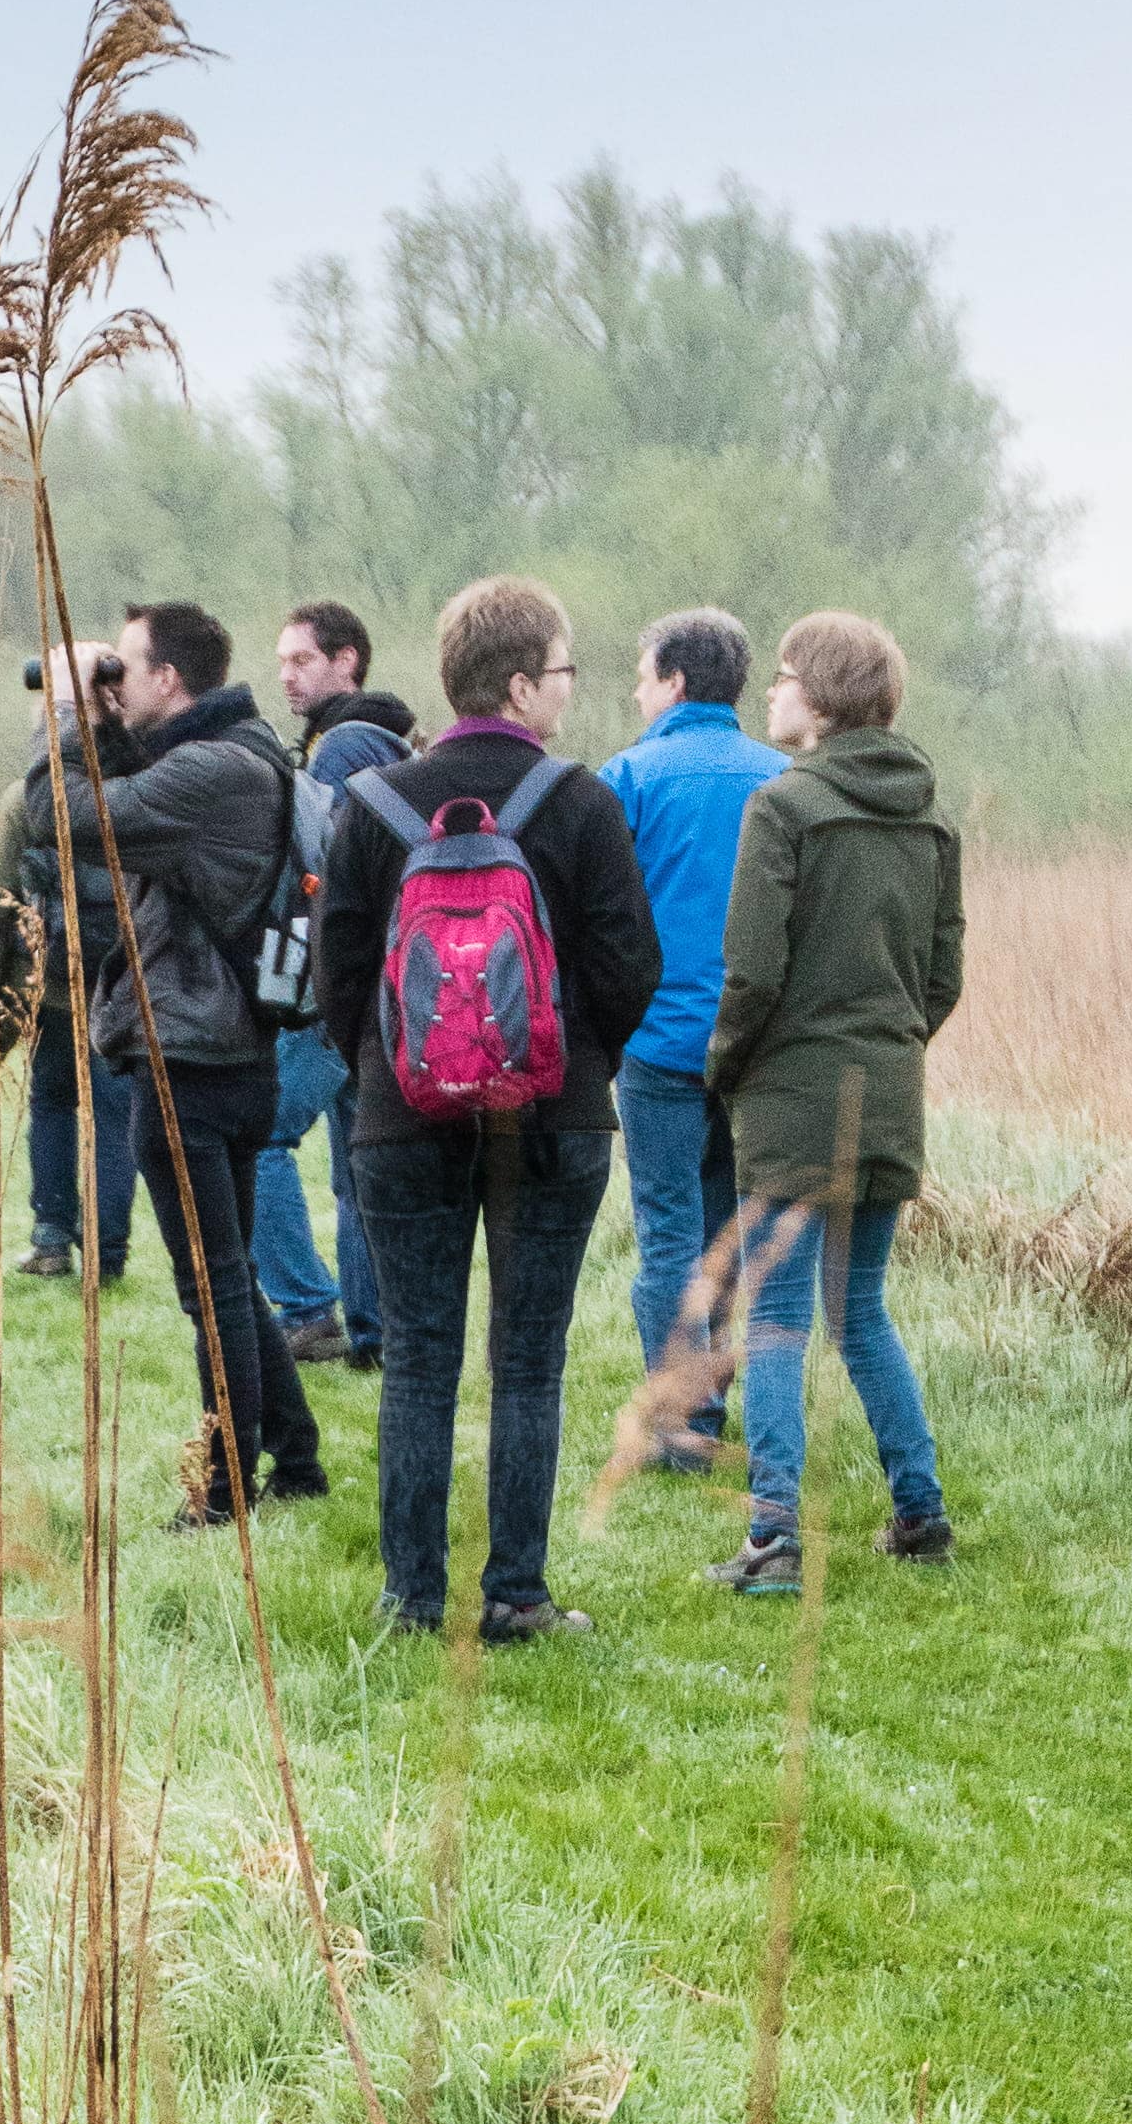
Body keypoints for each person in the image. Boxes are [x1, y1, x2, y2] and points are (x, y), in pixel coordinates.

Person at [314, 574, 661, 1645]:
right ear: (518, 684)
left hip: (400, 1122)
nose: (568, 690)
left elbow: (337, 980)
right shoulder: (580, 802)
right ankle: (514, 1594)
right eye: (561, 670)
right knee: (526, 1358)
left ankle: (410, 1599)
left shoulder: (372, 806)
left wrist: (390, 1067)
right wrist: (572, 1062)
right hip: (553, 1122)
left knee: (417, 1356)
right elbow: (630, 967)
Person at [702, 613, 962, 1594]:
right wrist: (887, 1049)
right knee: (858, 1310)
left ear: (818, 699)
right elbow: (941, 975)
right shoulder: (931, 817)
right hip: (887, 1092)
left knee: (772, 1320)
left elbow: (750, 970)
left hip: (790, 1095)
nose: (767, 694)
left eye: (780, 678)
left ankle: (771, 1540)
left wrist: (725, 1066)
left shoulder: (784, 807)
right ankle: (919, 1510)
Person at [68, 604, 328, 1513]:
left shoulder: (216, 769)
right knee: (228, 1274)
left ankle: (225, 1489)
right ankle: (296, 1460)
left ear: (170, 679)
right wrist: (105, 719)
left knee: (207, 1287)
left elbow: (63, 821)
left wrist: (64, 716)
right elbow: (133, 799)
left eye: (127, 668)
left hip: (192, 1059)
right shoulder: (242, 752)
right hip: (226, 1052)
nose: (116, 683)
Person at [599, 607, 784, 1470]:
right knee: (727, 1231)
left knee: (668, 1233)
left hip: (658, 1045)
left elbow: (600, 917)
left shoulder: (628, 778)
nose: (637, 692)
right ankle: (711, 1408)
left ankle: (681, 1423)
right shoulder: (784, 779)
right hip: (753, 1051)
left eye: (642, 676)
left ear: (674, 682)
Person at [0, 639, 141, 1281]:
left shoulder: (24, 798)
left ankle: (52, 1240)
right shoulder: (146, 784)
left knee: (54, 1105)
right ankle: (106, 1254)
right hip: (125, 990)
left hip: (49, 987)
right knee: (112, 1118)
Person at [250, 601, 414, 1372]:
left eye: (302, 660)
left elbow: (327, 871)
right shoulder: (383, 742)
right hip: (380, 987)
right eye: (281, 660)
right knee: (356, 1167)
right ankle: (375, 1333)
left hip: (334, 985)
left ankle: (309, 1310)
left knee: (259, 1137)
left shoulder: (343, 749)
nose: (286, 674)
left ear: (347, 661)